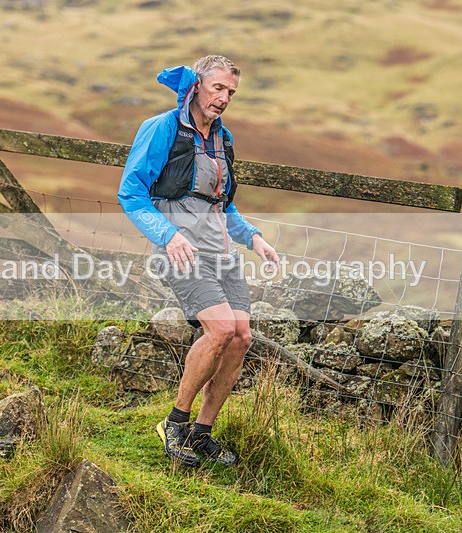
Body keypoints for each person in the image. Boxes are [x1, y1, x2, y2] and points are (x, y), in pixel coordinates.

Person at [118, 55, 280, 467]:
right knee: (220, 328)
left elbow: (223, 205)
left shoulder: (223, 138)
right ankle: (174, 423)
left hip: (222, 253)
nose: (224, 98)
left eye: (231, 92)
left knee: (240, 337)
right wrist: (167, 235)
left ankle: (202, 432)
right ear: (196, 85)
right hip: (181, 250)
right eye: (218, 88)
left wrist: (254, 238)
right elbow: (131, 194)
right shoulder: (162, 128)